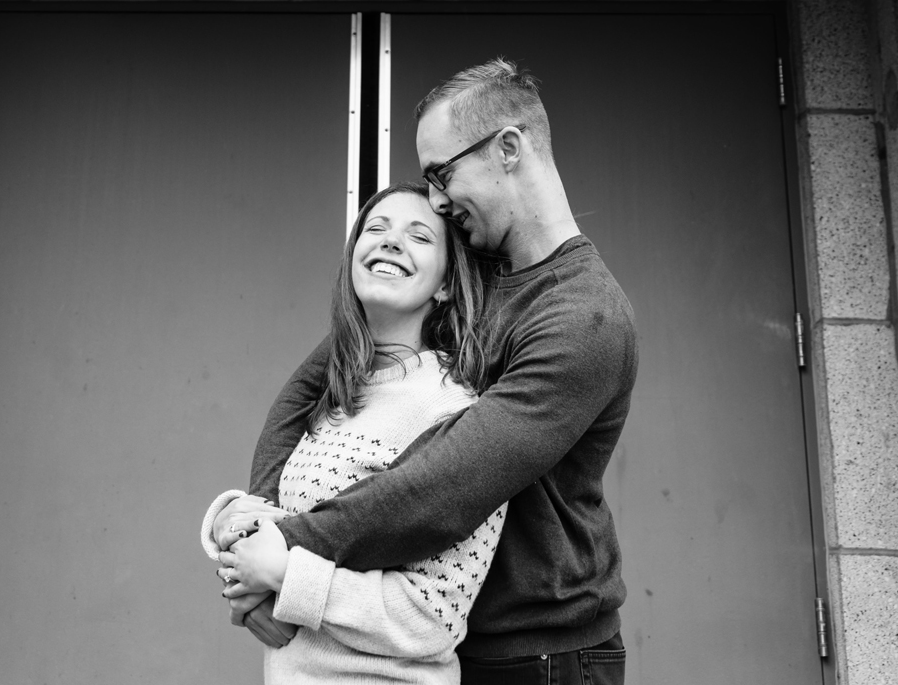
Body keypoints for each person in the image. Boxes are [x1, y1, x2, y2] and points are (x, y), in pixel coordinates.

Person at [217, 59, 638, 685]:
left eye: (442, 175)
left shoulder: (583, 318)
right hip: (432, 650)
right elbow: (309, 390)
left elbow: (446, 485)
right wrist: (257, 528)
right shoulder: (464, 272)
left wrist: (286, 555)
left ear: (508, 149)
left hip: (539, 653)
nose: (436, 200)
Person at [206, 183, 506, 683]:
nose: (390, 242)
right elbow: (297, 525)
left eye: (418, 236)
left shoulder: (452, 410)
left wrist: (283, 577)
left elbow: (433, 618)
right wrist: (231, 528)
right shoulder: (337, 393)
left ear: (447, 284)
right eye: (376, 228)